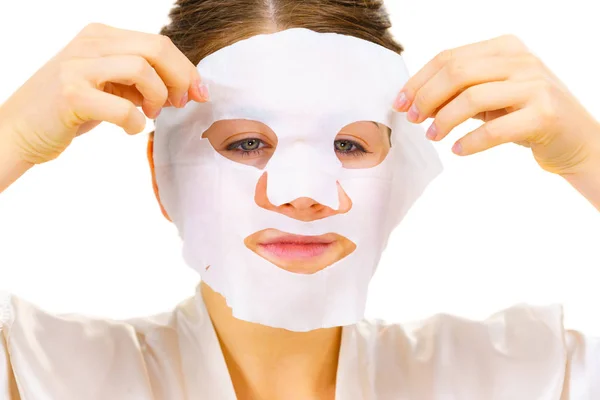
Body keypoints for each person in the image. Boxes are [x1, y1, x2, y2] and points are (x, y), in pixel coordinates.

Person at [1, 1, 599, 399]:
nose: (304, 196)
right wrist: (13, 137)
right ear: (163, 175)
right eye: (246, 143)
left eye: (348, 143)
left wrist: (588, 155)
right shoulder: (43, 374)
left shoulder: (519, 375)